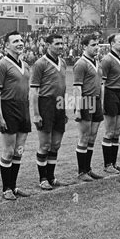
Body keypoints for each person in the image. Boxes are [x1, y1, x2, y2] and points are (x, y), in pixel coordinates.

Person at [0, 31, 31, 200]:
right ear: (7, 46)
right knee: (8, 151)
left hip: (23, 109)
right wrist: (0, 117)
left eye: (21, 40)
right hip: (9, 109)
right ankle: (6, 188)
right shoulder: (1, 65)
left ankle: (14, 186)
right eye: (15, 41)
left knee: (19, 151)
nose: (20, 43)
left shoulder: (26, 65)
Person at [30, 34, 68, 190]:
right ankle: (43, 178)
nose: (60, 46)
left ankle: (52, 177)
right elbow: (34, 90)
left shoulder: (63, 62)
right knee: (45, 144)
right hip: (45, 104)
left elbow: (63, 87)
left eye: (62, 43)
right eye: (57, 43)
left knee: (56, 144)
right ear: (47, 45)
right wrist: (36, 113)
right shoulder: (40, 64)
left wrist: (64, 108)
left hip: (59, 104)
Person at [73, 34, 105, 181]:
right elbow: (77, 88)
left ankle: (88, 168)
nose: (96, 47)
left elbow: (101, 85)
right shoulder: (81, 64)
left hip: (96, 101)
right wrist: (78, 108)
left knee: (92, 136)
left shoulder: (97, 62)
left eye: (97, 44)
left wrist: (102, 103)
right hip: (86, 101)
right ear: (84, 47)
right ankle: (81, 171)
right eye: (93, 45)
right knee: (84, 137)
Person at [100, 33, 120, 173]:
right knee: (110, 131)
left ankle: (114, 163)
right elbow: (102, 83)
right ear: (112, 43)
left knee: (117, 131)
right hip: (110, 95)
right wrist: (102, 103)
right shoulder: (106, 60)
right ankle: (107, 165)